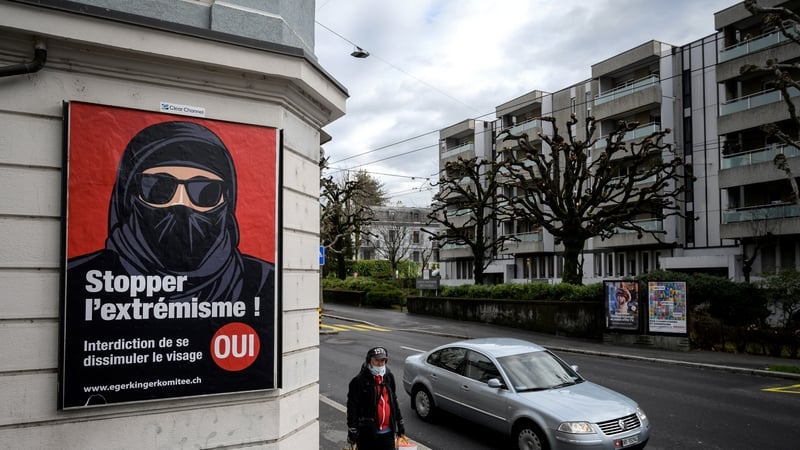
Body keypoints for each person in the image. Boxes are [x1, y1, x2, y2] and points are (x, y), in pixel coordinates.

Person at [347, 347, 406, 450]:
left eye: (382, 360)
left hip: (388, 433)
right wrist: (352, 429)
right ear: (370, 360)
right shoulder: (359, 381)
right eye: (376, 360)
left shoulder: (389, 377)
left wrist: (400, 422)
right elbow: (352, 407)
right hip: (367, 435)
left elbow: (393, 401)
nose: (380, 364)